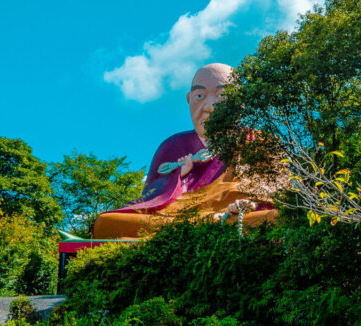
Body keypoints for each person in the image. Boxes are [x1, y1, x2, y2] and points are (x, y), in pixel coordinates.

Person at [91, 62, 278, 239]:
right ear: (189, 100)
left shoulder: (261, 142)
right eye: (200, 96)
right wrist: (179, 177)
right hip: (176, 219)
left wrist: (250, 205)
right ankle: (203, 225)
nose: (210, 107)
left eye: (223, 96)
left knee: (278, 218)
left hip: (233, 215)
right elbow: (149, 201)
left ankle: (204, 225)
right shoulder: (172, 146)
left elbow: (280, 196)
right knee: (106, 223)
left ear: (241, 102)